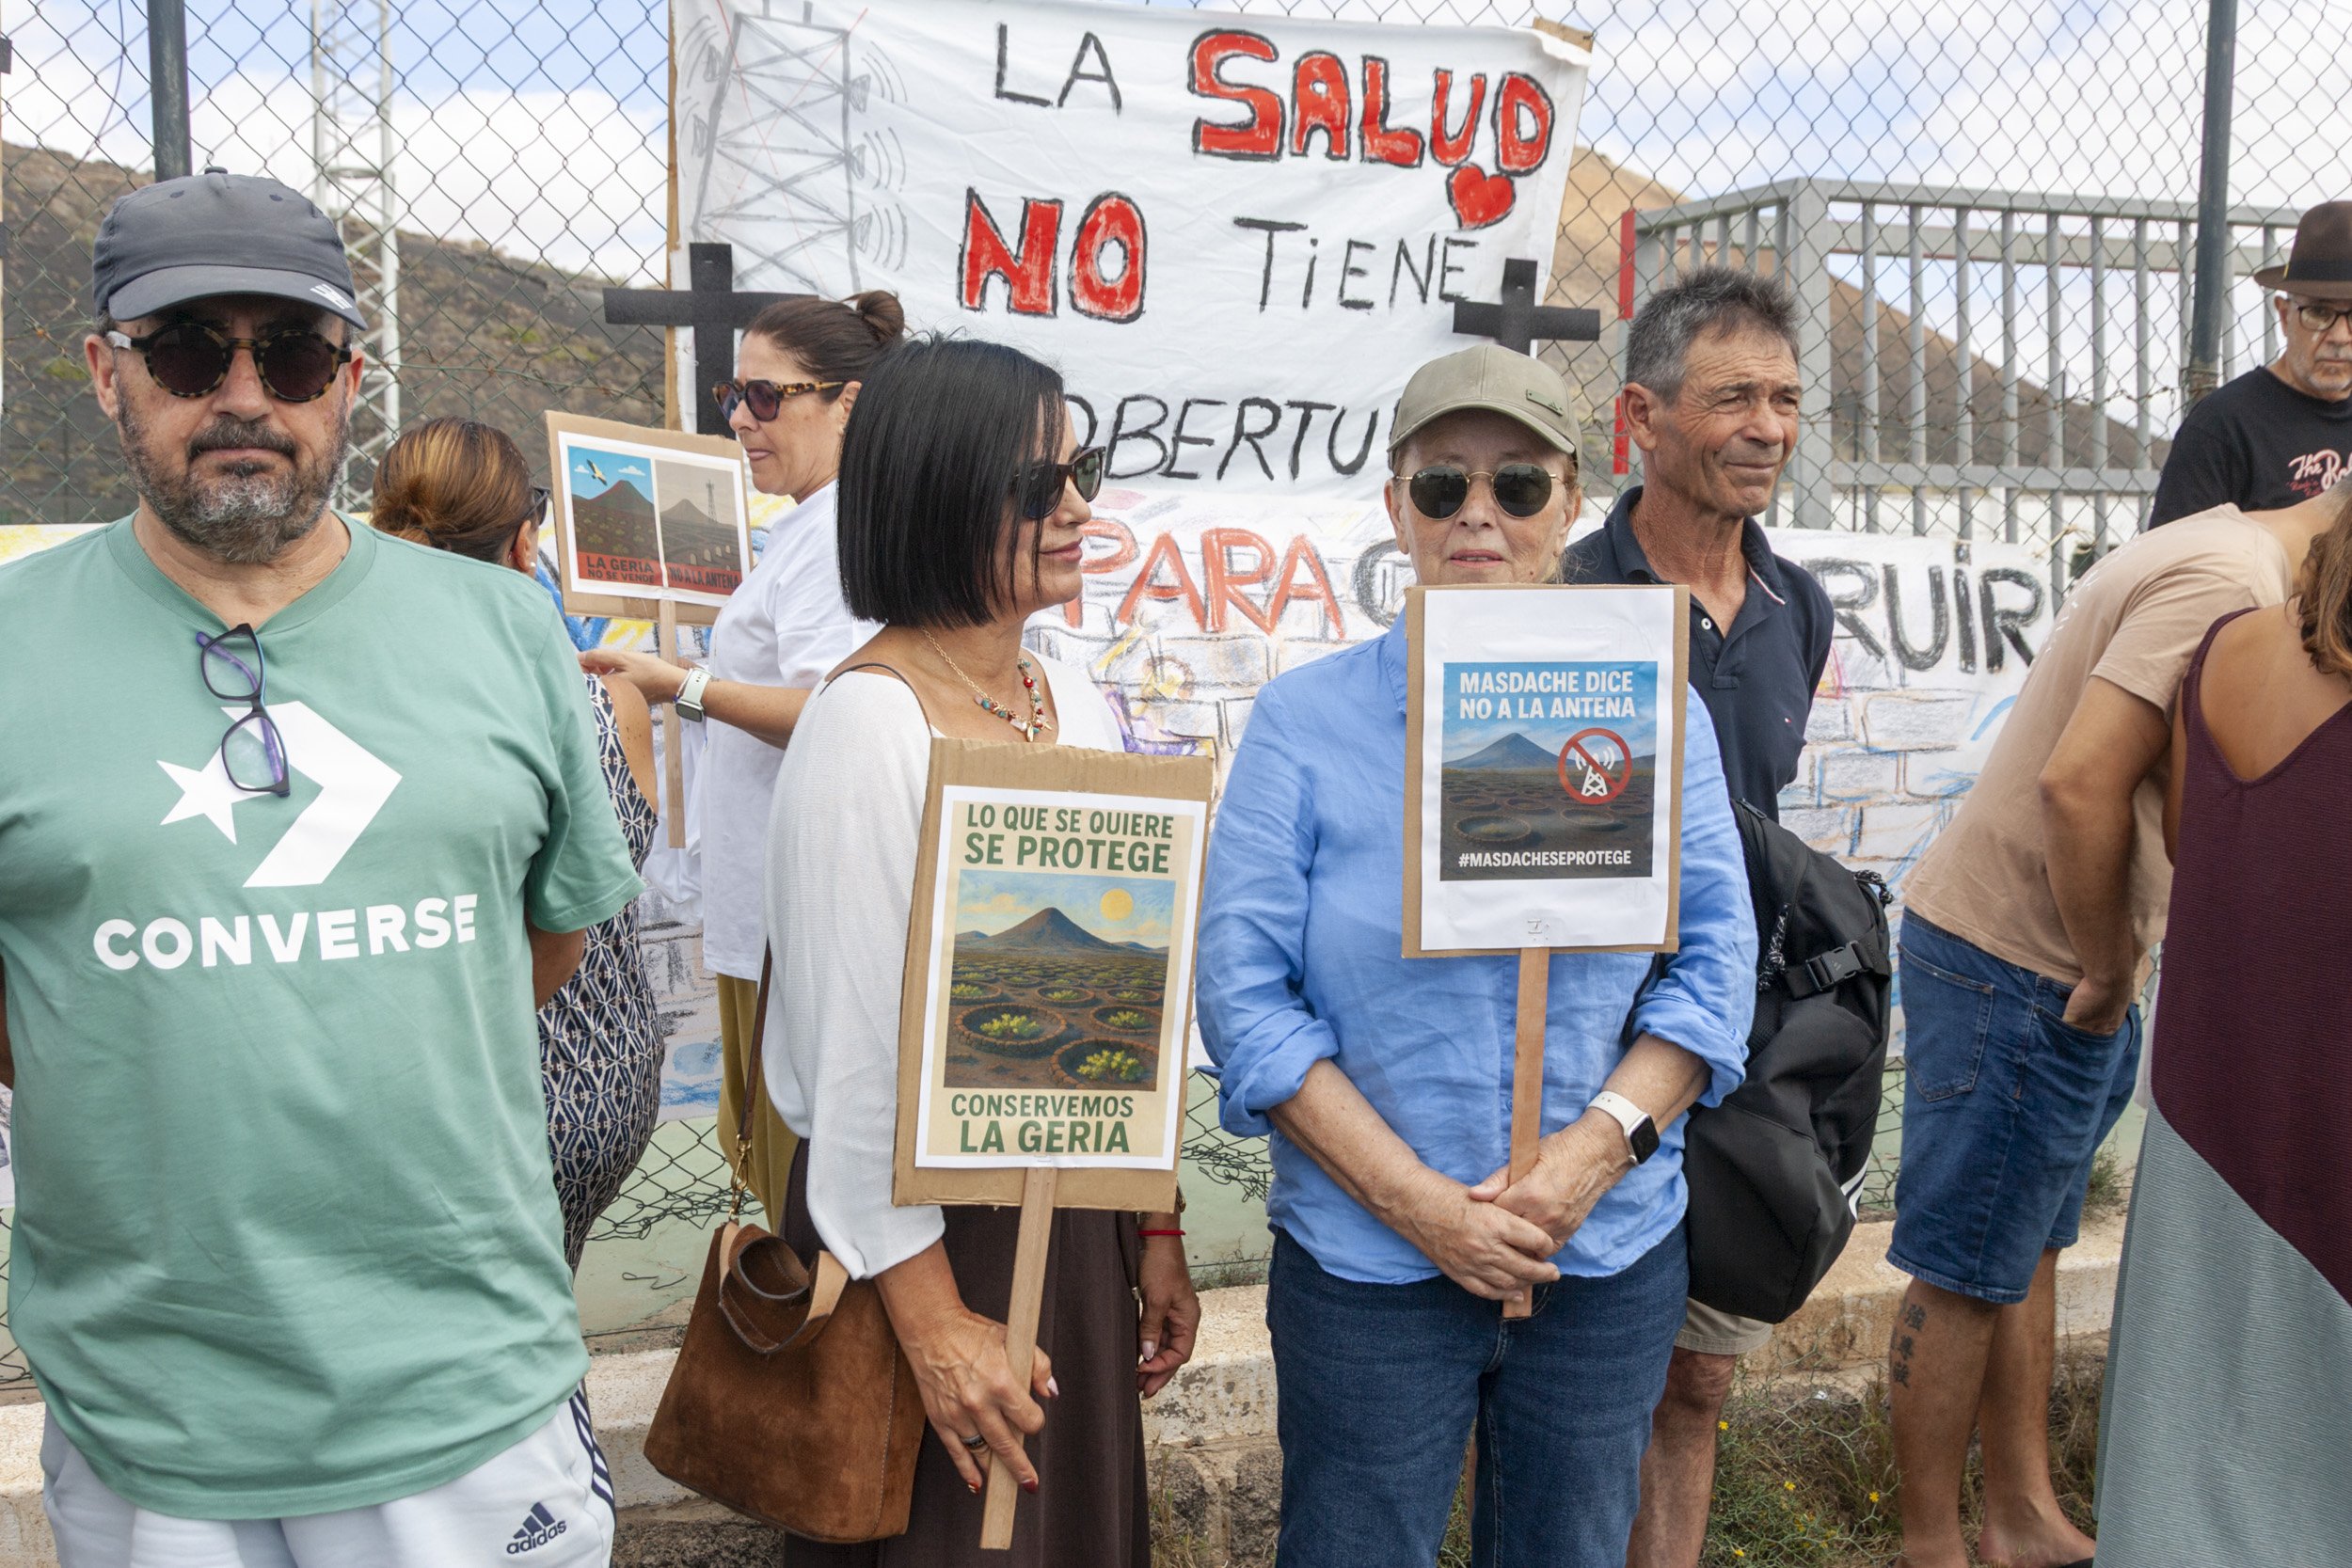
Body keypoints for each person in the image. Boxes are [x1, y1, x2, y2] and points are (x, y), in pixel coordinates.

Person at [0, 170, 639, 1562]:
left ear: (350, 379)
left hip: (465, 1393)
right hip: (153, 1408)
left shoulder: (505, 630)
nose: (243, 395)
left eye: (287, 353)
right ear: (109, 375)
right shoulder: (11, 640)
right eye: (186, 352)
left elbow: (535, 948)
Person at [1198, 345, 1758, 1568]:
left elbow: (1716, 964)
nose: (1479, 516)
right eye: (1443, 485)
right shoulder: (1305, 721)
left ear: (1571, 501)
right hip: (1368, 1268)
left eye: (1516, 485)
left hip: (1599, 1255)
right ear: (1397, 504)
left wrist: (1592, 1153)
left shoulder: (1652, 704)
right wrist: (1422, 1207)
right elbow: (1244, 997)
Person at [760, 335, 1197, 1566]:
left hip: (1072, 1222)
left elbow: (1126, 987)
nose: (1074, 507)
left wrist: (1152, 1224)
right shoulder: (868, 724)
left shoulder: (1074, 698)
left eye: (1082, 470)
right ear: (940, 493)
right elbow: (847, 1060)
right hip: (933, 1241)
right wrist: (936, 1317)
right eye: (1033, 484)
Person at [1885, 485, 2340, 1568]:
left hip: (2041, 948)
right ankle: (1926, 1543)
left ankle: (2020, 1512)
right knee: (1963, 1262)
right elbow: (2078, 781)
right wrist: (2103, 965)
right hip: (2024, 955)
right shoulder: (2230, 587)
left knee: (2029, 1236)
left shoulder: (2221, 546)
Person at [1565, 267, 1834, 1568]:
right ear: (1643, 418)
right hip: (1593, 1050)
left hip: (1741, 1043)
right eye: (1732, 396)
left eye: (1784, 398)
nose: (1768, 426)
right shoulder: (1559, 605)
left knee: (1701, 1379)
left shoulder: (1799, 606)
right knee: (1577, 1376)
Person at [583, 292, 898, 1227]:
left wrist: (680, 684)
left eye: (767, 397)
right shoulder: (814, 525)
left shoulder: (835, 532)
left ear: (845, 404)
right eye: (733, 394)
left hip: (788, 915)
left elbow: (840, 707)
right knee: (777, 1159)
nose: (741, 419)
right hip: (774, 909)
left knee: (795, 1172)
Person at [2094, 482, 2352, 1562]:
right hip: (2329, 1119)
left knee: (2191, 1429)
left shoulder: (2228, 647)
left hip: (2216, 1093)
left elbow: (2209, 849)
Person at [373, 416, 663, 1271]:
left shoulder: (366, 705)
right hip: (604, 1080)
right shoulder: (613, 708)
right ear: (526, 545)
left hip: (457, 1089)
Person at [2148, 200, 2352, 527]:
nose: (2340, 336)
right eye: (2319, 313)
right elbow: (2174, 563)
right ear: (2285, 316)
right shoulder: (2222, 426)